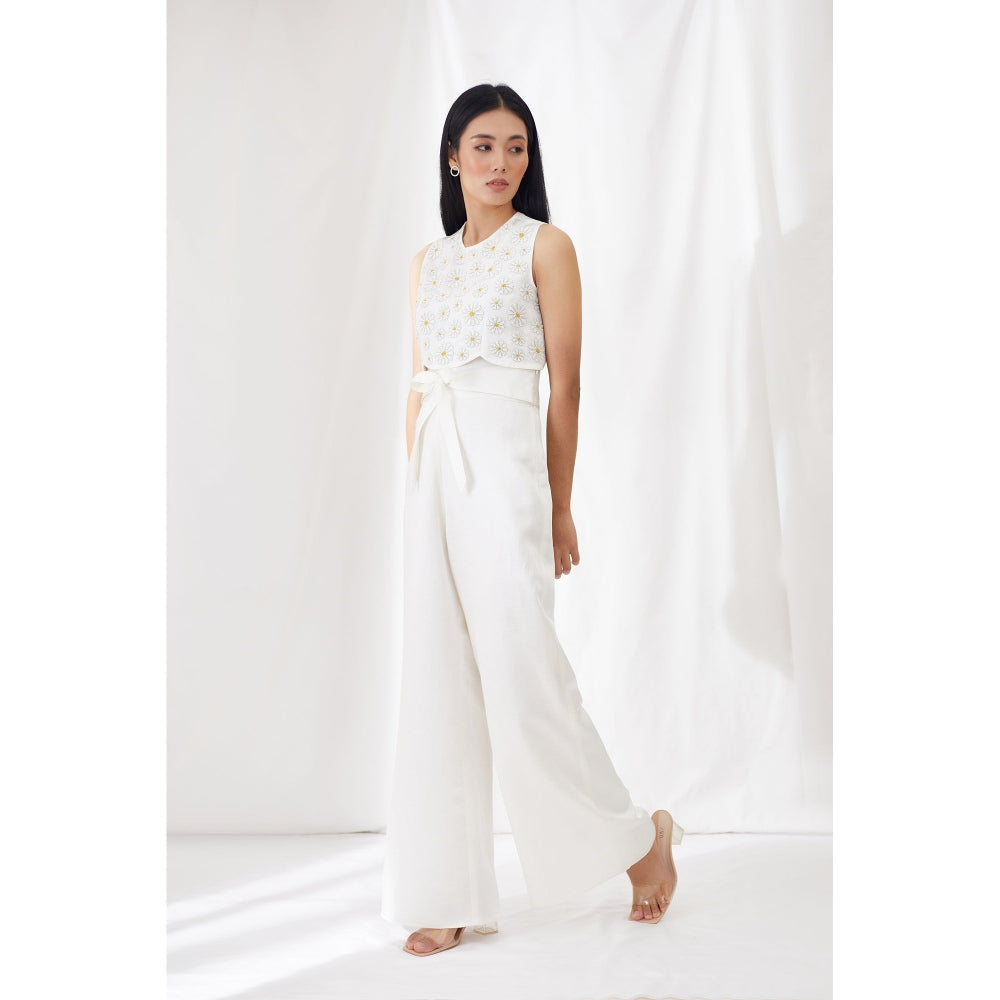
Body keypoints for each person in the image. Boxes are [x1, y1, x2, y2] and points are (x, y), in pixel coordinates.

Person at [380, 82, 684, 957]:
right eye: (483, 145)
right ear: (452, 157)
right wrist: (417, 485)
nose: (501, 162)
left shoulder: (546, 246)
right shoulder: (426, 262)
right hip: (435, 473)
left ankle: (640, 839)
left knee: (526, 676)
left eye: (516, 147)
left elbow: (567, 386)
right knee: (437, 678)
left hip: (506, 471)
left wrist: (558, 505)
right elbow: (420, 380)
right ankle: (446, 894)